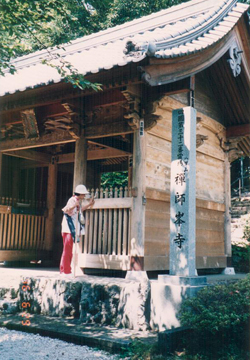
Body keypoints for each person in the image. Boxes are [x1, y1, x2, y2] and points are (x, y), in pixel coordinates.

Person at [60, 184, 94, 276]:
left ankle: (65, 269)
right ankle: (65, 271)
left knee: (69, 249)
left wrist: (89, 205)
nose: (84, 196)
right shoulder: (72, 200)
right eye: (83, 194)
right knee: (67, 249)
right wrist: (73, 205)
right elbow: (66, 210)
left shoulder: (77, 201)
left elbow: (79, 211)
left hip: (71, 228)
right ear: (80, 193)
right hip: (68, 228)